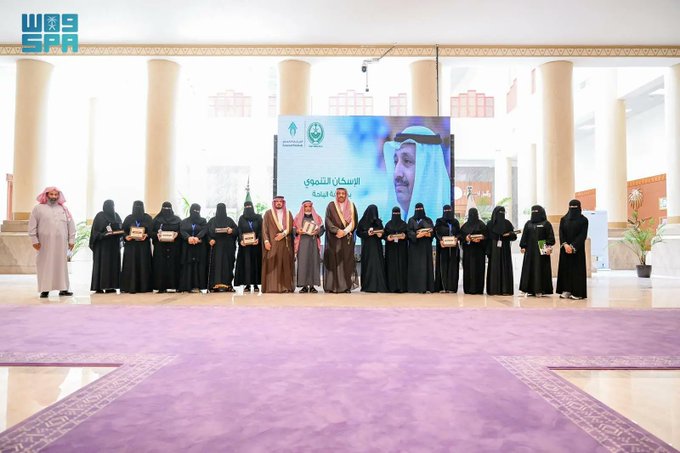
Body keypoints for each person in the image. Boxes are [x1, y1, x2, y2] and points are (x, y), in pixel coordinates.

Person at [383, 125, 450, 220]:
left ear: (427, 170)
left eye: (407, 161)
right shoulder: (390, 224)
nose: (397, 173)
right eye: (395, 162)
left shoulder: (444, 226)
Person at [28, 187, 76, 298]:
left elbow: (71, 225)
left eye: (56, 194)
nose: (54, 196)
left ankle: (63, 289)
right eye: (51, 194)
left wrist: (71, 240)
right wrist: (34, 240)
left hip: (61, 244)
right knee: (45, 265)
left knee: (61, 266)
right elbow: (32, 226)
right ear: (46, 195)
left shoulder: (64, 209)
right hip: (44, 244)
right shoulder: (38, 209)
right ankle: (45, 289)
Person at [323, 188, 358, 293]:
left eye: (343, 193)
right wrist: (337, 231)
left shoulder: (351, 206)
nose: (341, 195)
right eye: (339, 193)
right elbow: (327, 221)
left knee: (346, 262)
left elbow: (354, 221)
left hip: (347, 239)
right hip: (334, 239)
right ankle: (332, 286)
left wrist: (345, 231)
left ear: (346, 195)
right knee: (334, 261)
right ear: (336, 195)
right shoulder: (331, 205)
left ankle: (346, 287)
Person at [519, 205, 556, 297]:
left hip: (542, 246)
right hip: (530, 249)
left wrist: (548, 246)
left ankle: (540, 289)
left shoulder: (546, 224)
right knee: (528, 268)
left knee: (540, 268)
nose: (534, 213)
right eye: (533, 211)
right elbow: (524, 236)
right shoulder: (528, 224)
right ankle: (526, 289)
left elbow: (551, 238)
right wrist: (523, 246)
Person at [261, 196, 295, 293]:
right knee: (272, 265)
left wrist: (283, 234)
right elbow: (264, 228)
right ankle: (272, 287)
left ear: (283, 203)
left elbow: (290, 227)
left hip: (285, 244)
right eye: (277, 201)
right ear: (274, 203)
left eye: (281, 201)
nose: (279, 203)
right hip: (272, 244)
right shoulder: (268, 213)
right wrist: (266, 241)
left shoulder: (288, 213)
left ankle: (285, 287)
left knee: (285, 265)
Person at [556, 200, 589, 300]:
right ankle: (566, 290)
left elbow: (582, 235)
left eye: (575, 207)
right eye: (571, 207)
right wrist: (565, 245)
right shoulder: (563, 219)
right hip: (565, 250)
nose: (573, 210)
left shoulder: (584, 220)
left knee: (577, 270)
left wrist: (573, 246)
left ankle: (578, 292)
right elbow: (561, 233)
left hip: (577, 250)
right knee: (565, 269)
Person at [89, 199, 123, 294]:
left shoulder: (116, 216)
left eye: (112, 205)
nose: (111, 208)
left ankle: (110, 287)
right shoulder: (100, 216)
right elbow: (95, 232)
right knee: (102, 266)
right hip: (102, 247)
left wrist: (119, 232)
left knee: (112, 266)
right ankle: (98, 287)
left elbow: (121, 228)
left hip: (114, 246)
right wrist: (103, 234)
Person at [120, 200, 154, 294]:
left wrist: (147, 235)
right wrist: (126, 236)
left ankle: (144, 286)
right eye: (136, 206)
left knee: (143, 265)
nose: (138, 208)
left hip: (143, 246)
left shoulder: (148, 218)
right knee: (131, 265)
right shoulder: (128, 218)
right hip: (131, 246)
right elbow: (123, 230)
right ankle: (130, 286)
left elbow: (152, 231)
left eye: (140, 206)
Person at [293, 200, 324, 293]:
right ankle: (304, 286)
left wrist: (317, 232)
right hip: (302, 243)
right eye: (305, 207)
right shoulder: (297, 218)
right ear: (303, 207)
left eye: (309, 206)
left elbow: (322, 229)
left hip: (313, 243)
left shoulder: (317, 217)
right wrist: (297, 231)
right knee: (303, 264)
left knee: (313, 263)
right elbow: (293, 229)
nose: (307, 208)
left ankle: (312, 286)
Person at [486, 206, 518, 296]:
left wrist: (510, 234)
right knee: (496, 267)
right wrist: (488, 251)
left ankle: (503, 289)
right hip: (495, 249)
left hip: (503, 249)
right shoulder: (490, 224)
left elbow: (514, 236)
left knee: (503, 267)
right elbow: (487, 238)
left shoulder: (506, 223)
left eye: (503, 213)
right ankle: (497, 289)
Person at [207, 203, 238, 292]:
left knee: (227, 265)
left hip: (228, 247)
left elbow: (236, 230)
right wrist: (210, 240)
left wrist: (231, 230)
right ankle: (214, 285)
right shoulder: (212, 221)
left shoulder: (229, 220)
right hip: (216, 247)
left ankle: (227, 285)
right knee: (216, 265)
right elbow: (207, 233)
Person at [151, 202, 182, 293]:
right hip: (160, 248)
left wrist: (177, 234)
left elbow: (182, 231)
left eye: (168, 208)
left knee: (173, 265)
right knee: (160, 266)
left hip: (174, 248)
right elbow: (151, 232)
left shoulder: (177, 219)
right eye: (165, 208)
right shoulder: (156, 220)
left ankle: (173, 285)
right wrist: (157, 235)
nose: (167, 210)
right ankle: (160, 286)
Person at [356, 204, 388, 293]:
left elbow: (383, 233)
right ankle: (369, 286)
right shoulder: (363, 221)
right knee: (369, 264)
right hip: (367, 247)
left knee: (377, 264)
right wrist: (367, 233)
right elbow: (358, 233)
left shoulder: (378, 222)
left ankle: (379, 285)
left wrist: (380, 235)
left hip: (377, 247)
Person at [179, 203, 208, 293]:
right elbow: (182, 230)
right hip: (187, 247)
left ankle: (198, 285)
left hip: (199, 247)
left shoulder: (203, 221)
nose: (195, 212)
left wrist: (197, 237)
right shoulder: (184, 221)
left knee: (199, 265)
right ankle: (188, 285)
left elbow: (204, 230)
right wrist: (188, 238)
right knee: (188, 265)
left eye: (197, 210)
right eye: (194, 210)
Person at [234, 201, 262, 293]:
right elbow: (239, 230)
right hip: (245, 247)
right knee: (246, 265)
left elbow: (261, 230)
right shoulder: (242, 218)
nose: (248, 208)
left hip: (256, 245)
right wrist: (241, 240)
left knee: (256, 264)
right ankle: (247, 284)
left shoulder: (258, 217)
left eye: (249, 206)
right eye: (246, 206)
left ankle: (256, 284)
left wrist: (258, 239)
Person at [406, 202, 435, 293]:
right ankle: (415, 287)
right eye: (417, 209)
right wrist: (417, 235)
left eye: (420, 209)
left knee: (425, 265)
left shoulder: (428, 220)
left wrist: (428, 234)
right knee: (415, 266)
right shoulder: (411, 220)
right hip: (414, 247)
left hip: (425, 247)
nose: (419, 211)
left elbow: (432, 231)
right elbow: (409, 231)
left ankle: (427, 287)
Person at [460, 208, 488, 295]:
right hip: (468, 252)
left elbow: (487, 237)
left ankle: (478, 289)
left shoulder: (482, 225)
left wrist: (481, 239)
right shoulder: (465, 226)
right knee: (468, 270)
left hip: (479, 252)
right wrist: (467, 239)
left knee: (479, 270)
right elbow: (461, 237)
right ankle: (468, 289)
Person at [434, 204, 461, 293]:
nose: (447, 212)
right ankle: (443, 287)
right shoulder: (439, 221)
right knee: (443, 265)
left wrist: (456, 238)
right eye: (445, 211)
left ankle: (452, 287)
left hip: (453, 248)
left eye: (449, 210)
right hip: (443, 247)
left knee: (453, 266)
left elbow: (459, 232)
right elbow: (436, 232)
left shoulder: (455, 222)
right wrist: (440, 240)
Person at [384, 206, 408, 293]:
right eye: (395, 213)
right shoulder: (388, 224)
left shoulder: (404, 224)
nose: (396, 215)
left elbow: (408, 235)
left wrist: (404, 236)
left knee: (402, 266)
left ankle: (402, 287)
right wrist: (388, 237)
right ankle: (392, 287)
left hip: (402, 249)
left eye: (397, 213)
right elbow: (384, 235)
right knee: (391, 267)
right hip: (391, 249)